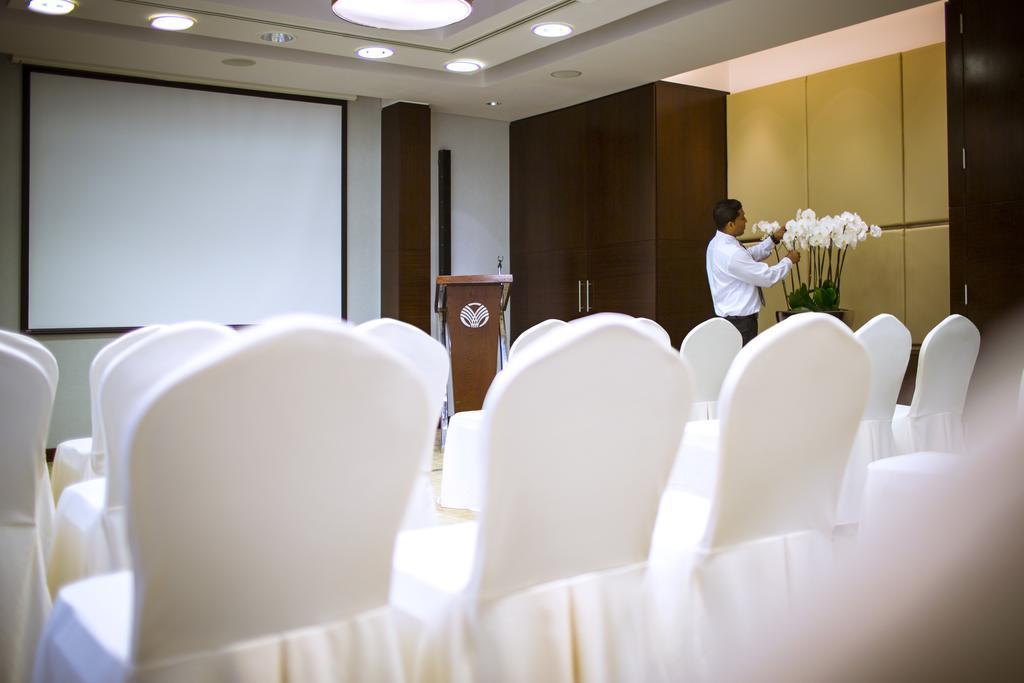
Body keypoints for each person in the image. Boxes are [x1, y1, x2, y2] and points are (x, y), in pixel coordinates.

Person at [706, 198, 800, 345]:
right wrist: (788, 261)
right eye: (742, 218)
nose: (746, 220)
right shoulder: (731, 254)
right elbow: (766, 277)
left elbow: (747, 257)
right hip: (741, 325)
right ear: (730, 224)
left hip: (731, 321)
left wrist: (773, 239)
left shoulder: (716, 243)